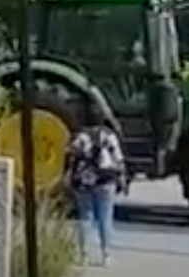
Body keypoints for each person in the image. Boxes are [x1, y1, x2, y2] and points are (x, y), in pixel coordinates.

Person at [64, 106, 127, 266]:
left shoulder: (79, 137)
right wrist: (122, 179)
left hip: (83, 181)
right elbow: (118, 159)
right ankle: (106, 255)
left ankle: (84, 255)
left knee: (85, 217)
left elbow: (70, 158)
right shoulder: (109, 135)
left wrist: (68, 178)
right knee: (105, 218)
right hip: (106, 180)